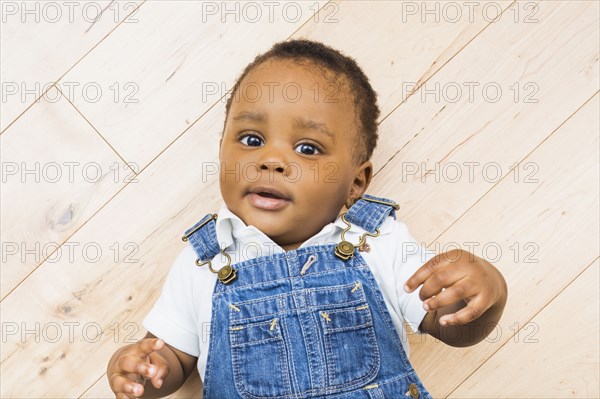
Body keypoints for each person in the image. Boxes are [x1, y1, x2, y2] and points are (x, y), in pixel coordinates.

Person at [107, 39, 508, 399]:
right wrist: (144, 370)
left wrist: (483, 297)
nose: (272, 161)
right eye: (251, 140)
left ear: (355, 183)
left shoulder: (379, 241)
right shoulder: (204, 263)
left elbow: (450, 322)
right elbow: (173, 354)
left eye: (308, 148)